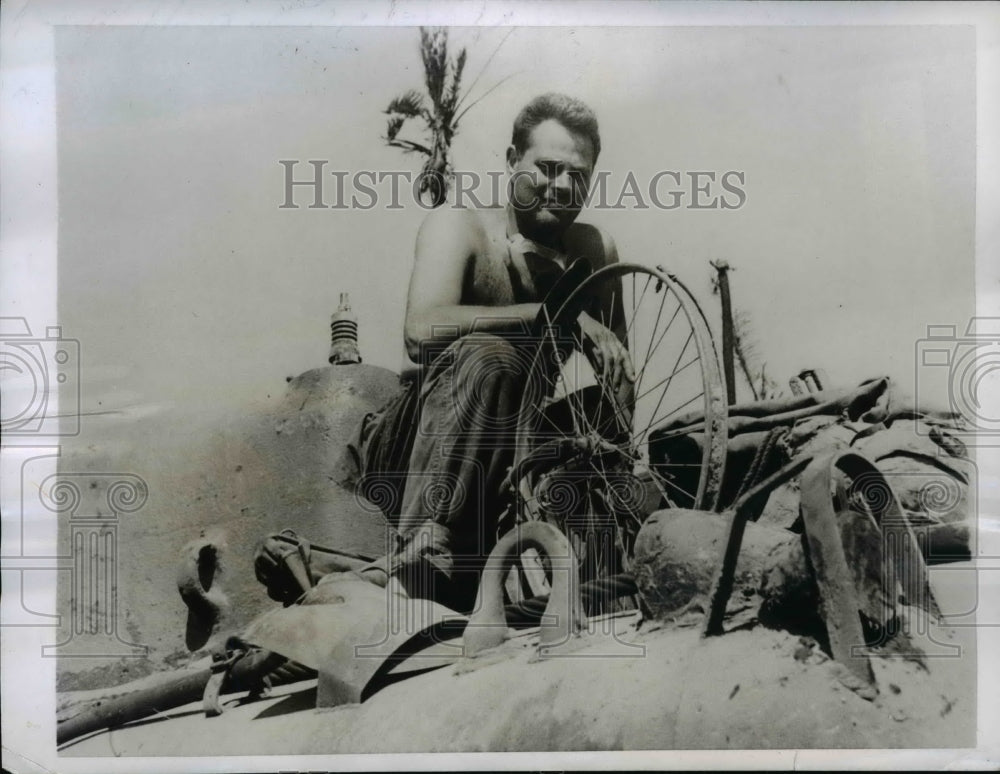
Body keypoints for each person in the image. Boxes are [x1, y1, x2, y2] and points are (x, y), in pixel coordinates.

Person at [256, 93, 634, 613]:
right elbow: (419, 331)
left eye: (579, 174)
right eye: (547, 168)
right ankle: (421, 567)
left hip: (510, 443)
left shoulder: (596, 253)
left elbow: (620, 381)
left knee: (598, 408)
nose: (564, 186)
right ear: (510, 162)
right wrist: (548, 317)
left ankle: (598, 562)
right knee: (488, 356)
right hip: (412, 443)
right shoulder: (461, 227)